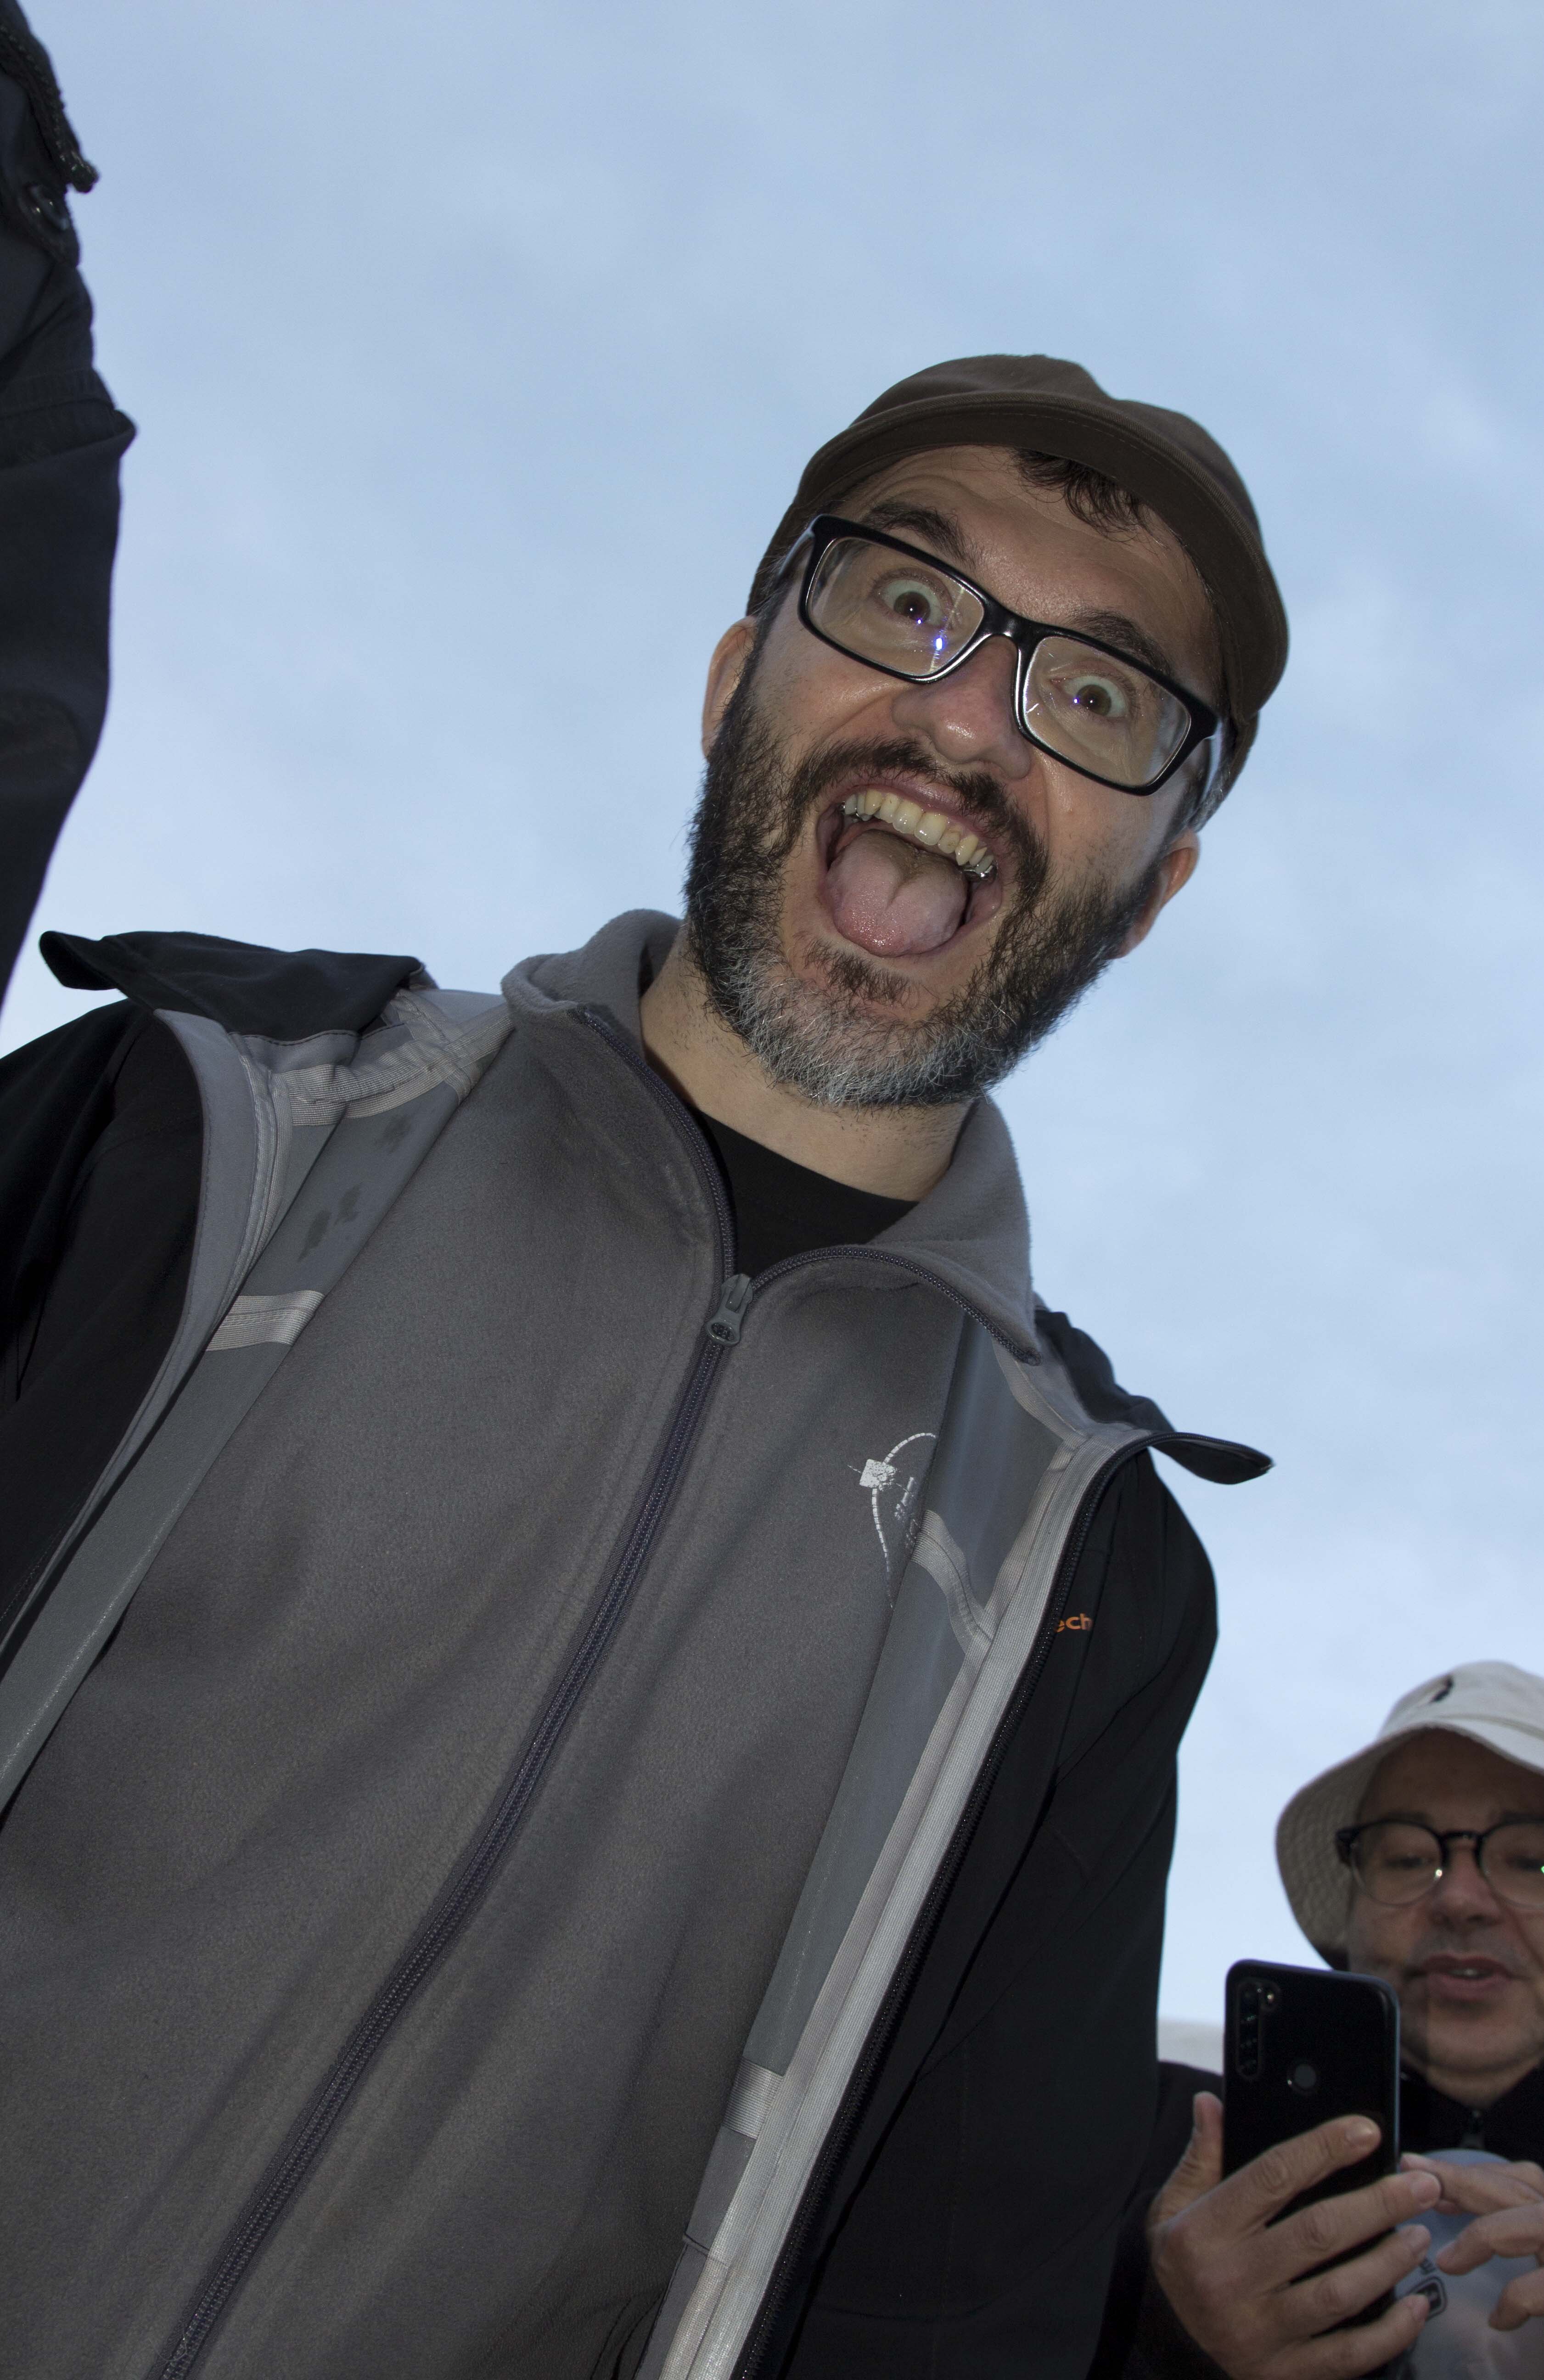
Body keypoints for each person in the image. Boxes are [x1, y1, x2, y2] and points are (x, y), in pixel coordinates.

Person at [0, 11, 1290, 2376]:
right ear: (731, 677)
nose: (967, 716)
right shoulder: (184, 1132)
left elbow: (941, 2321)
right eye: (903, 602)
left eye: (1100, 699)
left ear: (1155, 889)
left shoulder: (1083, 1586)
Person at [1095, 1662, 1544, 2380]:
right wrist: (1166, 2336)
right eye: (1408, 1858)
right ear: (1353, 1914)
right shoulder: (1137, 2132)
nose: (1460, 1900)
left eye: (1535, 1862)